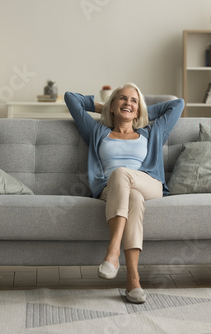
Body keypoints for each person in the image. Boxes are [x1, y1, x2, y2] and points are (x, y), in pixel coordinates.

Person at [64, 83, 184, 304]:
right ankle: (133, 280)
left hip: (148, 184)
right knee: (134, 199)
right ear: (112, 105)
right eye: (122, 99)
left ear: (139, 110)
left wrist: (141, 110)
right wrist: (107, 106)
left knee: (122, 174)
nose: (128, 103)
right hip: (111, 190)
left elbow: (178, 104)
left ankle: (113, 252)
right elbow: (71, 98)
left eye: (133, 101)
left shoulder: (151, 132)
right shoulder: (98, 131)